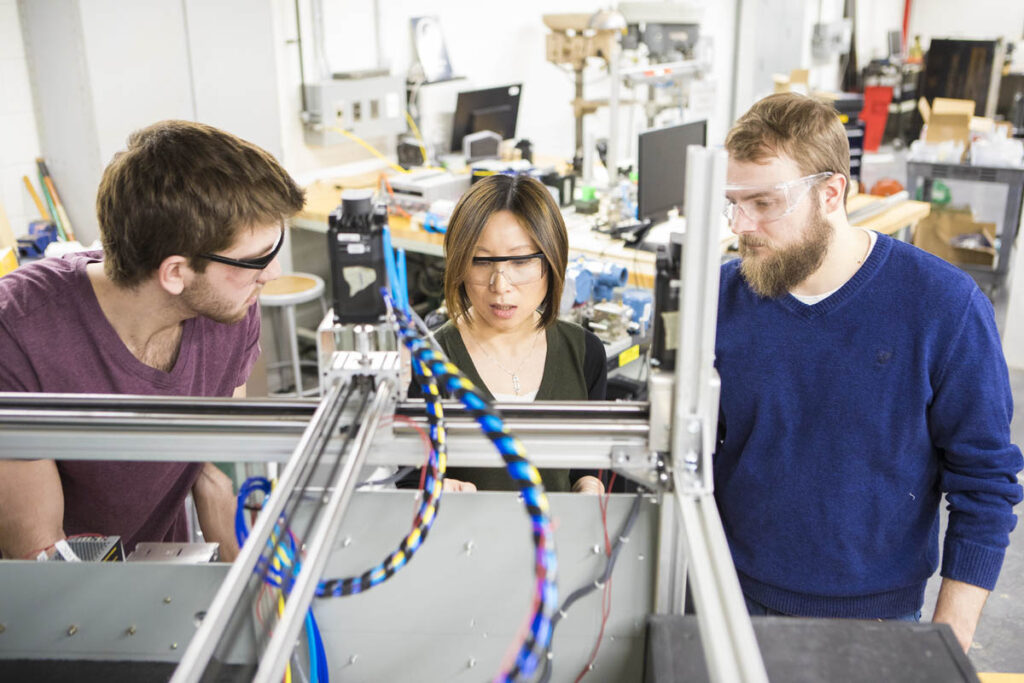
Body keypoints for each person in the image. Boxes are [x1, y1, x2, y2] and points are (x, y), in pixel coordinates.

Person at [714, 92, 1023, 650]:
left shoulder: (942, 306)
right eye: (733, 203)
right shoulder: (720, 302)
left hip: (875, 623)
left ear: (831, 193)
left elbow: (985, 485)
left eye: (763, 203)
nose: (742, 225)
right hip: (729, 603)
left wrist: (943, 646)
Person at [0, 120, 305, 562]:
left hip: (153, 570)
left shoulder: (230, 305)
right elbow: (43, 559)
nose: (272, 273)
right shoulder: (20, 333)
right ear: (175, 273)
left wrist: (255, 581)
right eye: (255, 260)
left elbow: (214, 468)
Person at [413, 174, 606, 494]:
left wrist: (588, 483)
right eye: (481, 261)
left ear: (552, 260)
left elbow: (588, 464)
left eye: (520, 261)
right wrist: (438, 488)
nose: (500, 285)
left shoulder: (585, 354)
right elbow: (407, 478)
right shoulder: (429, 362)